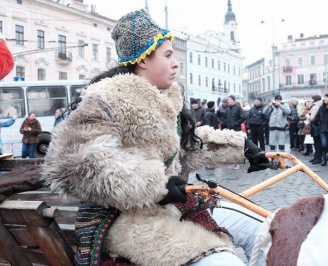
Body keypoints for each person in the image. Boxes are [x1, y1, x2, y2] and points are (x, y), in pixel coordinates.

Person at [41, 10, 270, 266]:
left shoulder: (168, 98)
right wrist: (157, 185)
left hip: (173, 208)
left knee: (266, 231)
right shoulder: (106, 99)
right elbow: (76, 162)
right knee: (224, 263)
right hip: (127, 220)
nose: (176, 63)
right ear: (142, 60)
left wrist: (242, 147)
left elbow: (187, 147)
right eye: (168, 55)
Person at [308, 95, 323, 164]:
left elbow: (312, 118)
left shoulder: (315, 107)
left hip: (316, 126)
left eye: (311, 99)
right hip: (318, 126)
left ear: (314, 100)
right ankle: (316, 156)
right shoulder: (319, 105)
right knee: (317, 143)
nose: (310, 100)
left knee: (317, 143)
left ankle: (318, 158)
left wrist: (307, 115)